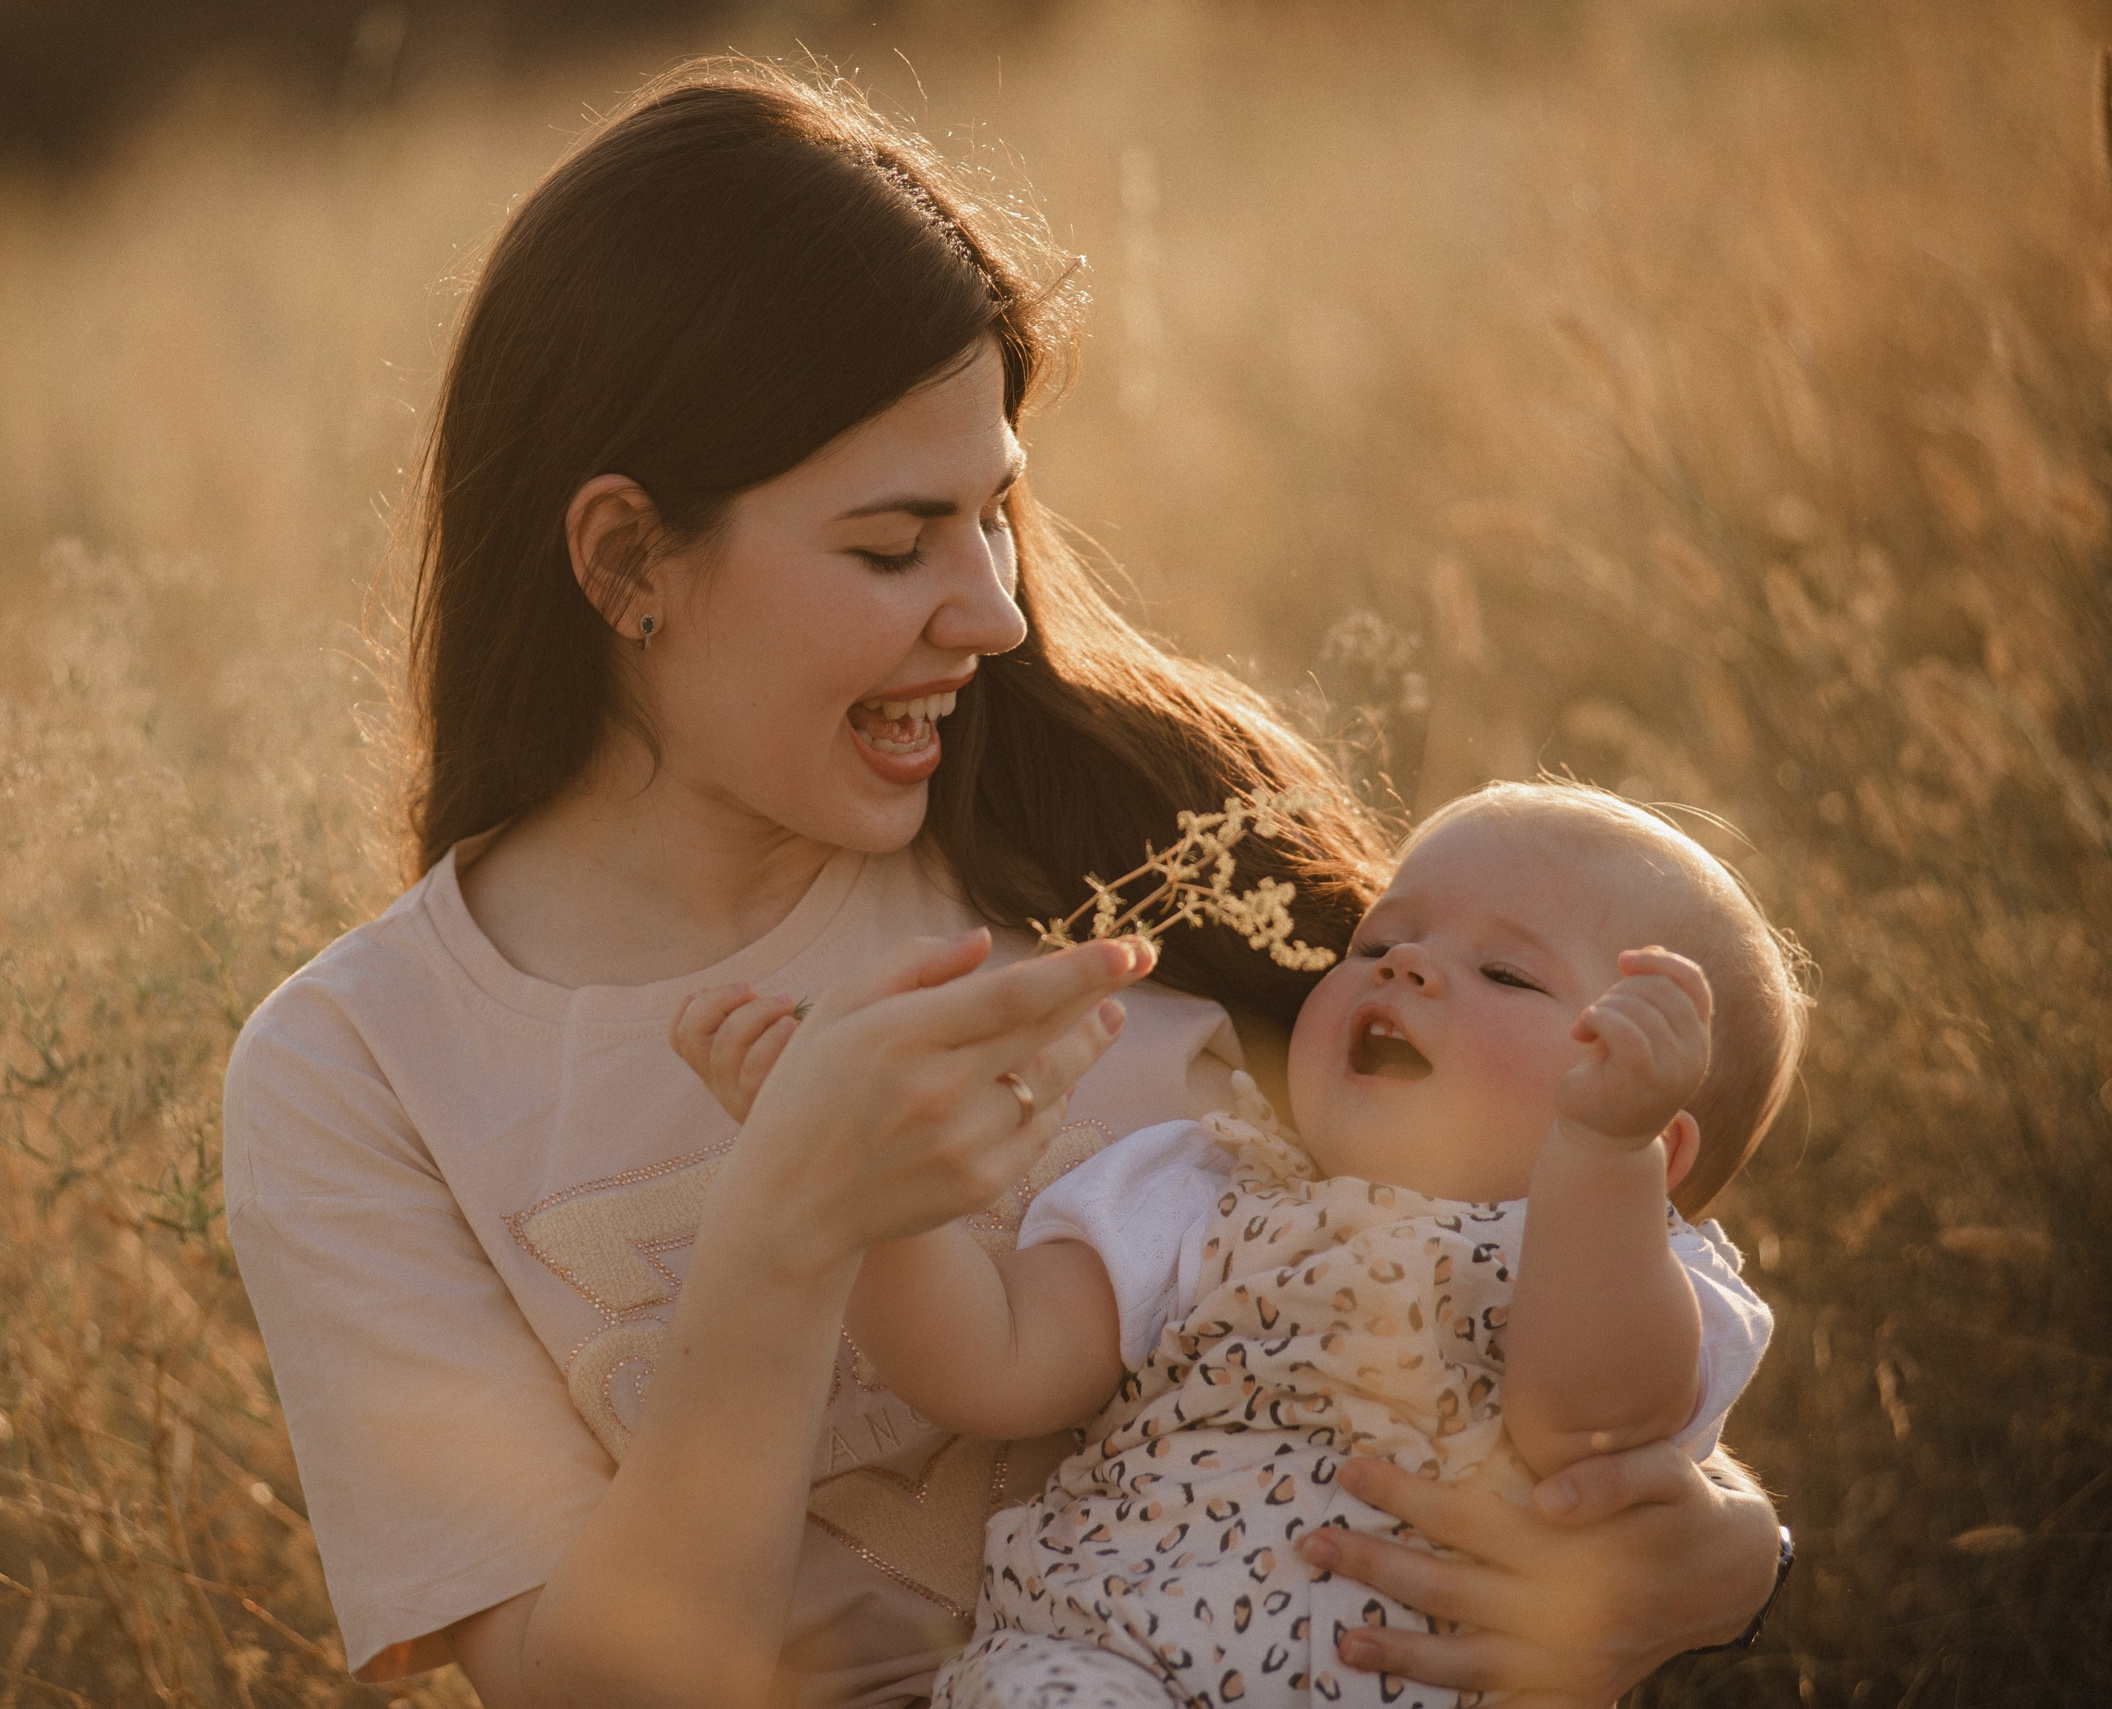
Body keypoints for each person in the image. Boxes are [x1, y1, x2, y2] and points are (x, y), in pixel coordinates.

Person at [220, 60, 1789, 1709]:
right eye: (894, 545)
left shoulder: (1133, 818)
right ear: (626, 561)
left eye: (995, 516)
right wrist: (792, 1217)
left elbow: (1574, 1202)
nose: (994, 613)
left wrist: (1726, 1546)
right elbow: (611, 1684)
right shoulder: (360, 1070)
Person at [675, 781, 1805, 1706]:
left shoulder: (1636, 1268)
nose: (1408, 968)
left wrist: (1596, 1169)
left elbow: (1586, 1420)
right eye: (1384, 939)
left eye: (1505, 972)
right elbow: (997, 1358)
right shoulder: (1206, 1183)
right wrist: (849, 1171)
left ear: (1659, 1147)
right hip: (1106, 1664)